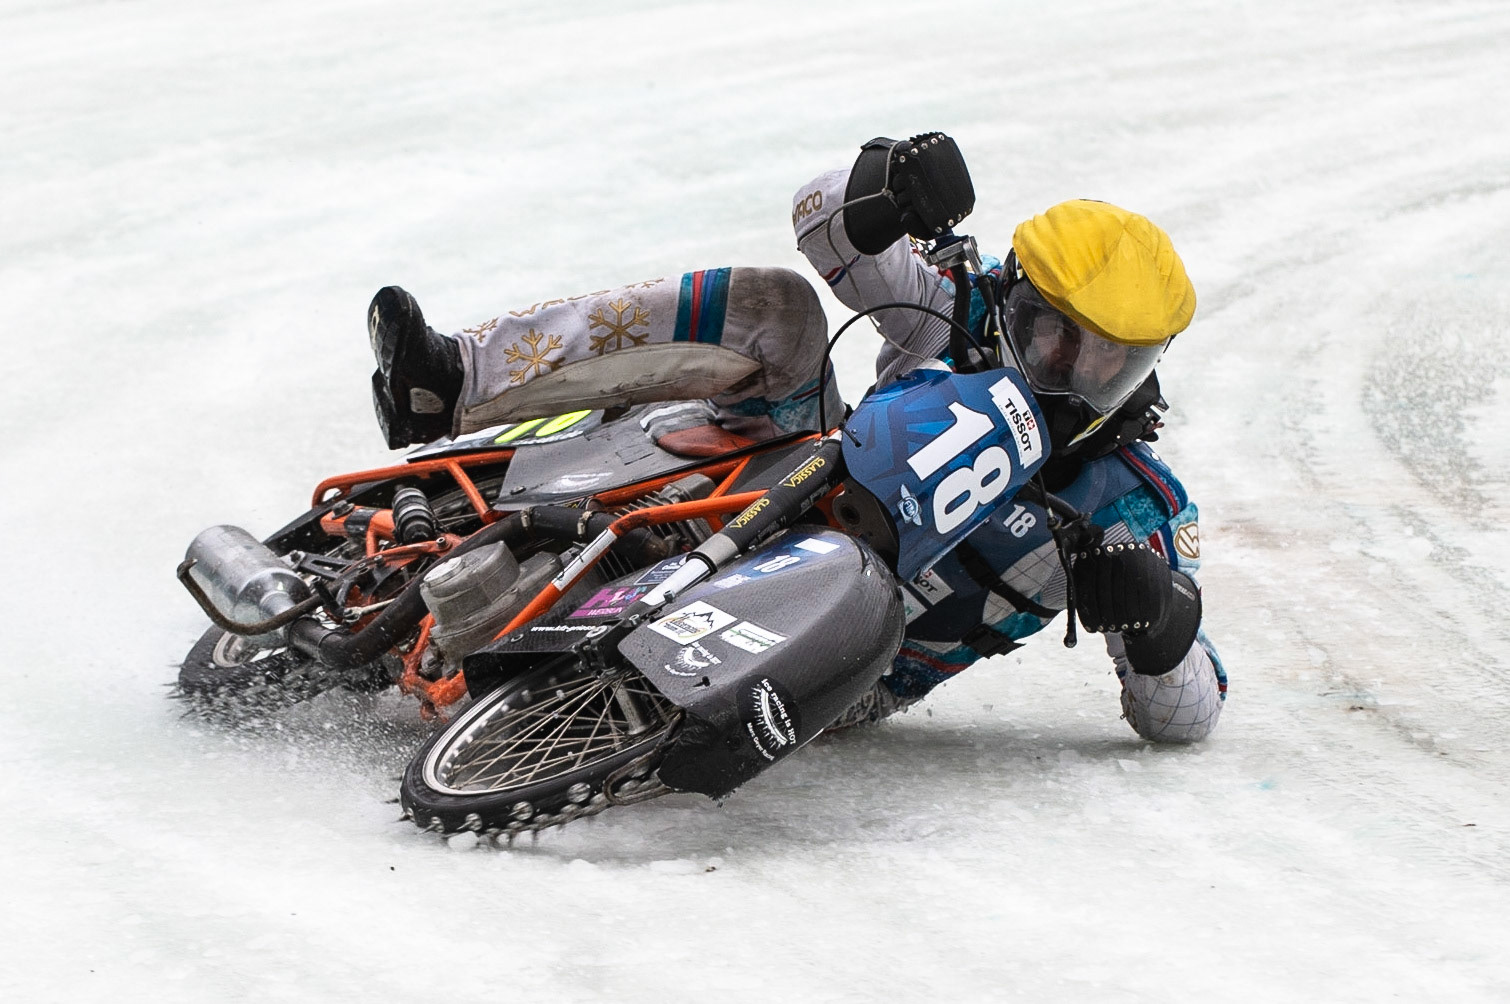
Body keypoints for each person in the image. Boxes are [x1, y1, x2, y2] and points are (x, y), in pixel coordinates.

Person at [367, 133, 1226, 744]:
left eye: (1112, 362)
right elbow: (822, 221)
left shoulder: (1133, 505)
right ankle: (454, 381)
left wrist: (1161, 619)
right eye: (1056, 336)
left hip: (844, 662)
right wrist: (886, 183)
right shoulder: (960, 309)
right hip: (799, 480)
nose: (1075, 373)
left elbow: (1187, 714)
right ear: (1019, 298)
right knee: (779, 305)